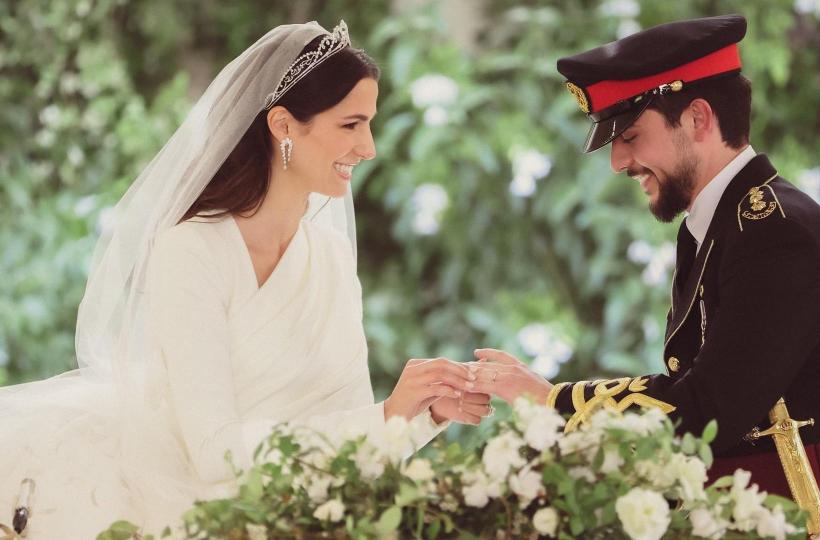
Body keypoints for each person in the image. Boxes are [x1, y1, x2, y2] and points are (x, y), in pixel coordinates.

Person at [0, 21, 489, 538]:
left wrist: (423, 417)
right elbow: (215, 456)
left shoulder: (330, 255)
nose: (368, 148)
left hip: (298, 510)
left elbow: (347, 437)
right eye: (350, 125)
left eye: (369, 124)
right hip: (194, 509)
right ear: (282, 125)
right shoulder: (191, 252)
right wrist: (386, 415)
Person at [470, 14, 820, 539]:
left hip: (817, 521)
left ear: (698, 119)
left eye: (631, 135)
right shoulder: (724, 225)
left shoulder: (776, 232)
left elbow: (707, 408)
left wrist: (553, 402)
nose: (618, 162)